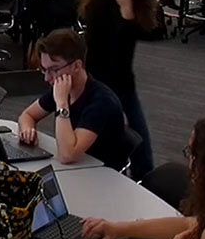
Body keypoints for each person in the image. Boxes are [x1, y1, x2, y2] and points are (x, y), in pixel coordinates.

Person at [79, 0, 159, 180]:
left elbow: (152, 33)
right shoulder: (101, 3)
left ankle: (150, 205)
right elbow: (96, 59)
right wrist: (112, 106)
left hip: (126, 84)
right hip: (101, 87)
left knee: (142, 153)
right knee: (104, 156)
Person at [18, 28, 129, 170]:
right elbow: (27, 115)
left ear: (77, 66)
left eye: (54, 69)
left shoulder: (101, 102)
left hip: (102, 177)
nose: (47, 78)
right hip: (78, 169)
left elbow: (67, 156)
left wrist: (62, 103)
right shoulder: (63, 88)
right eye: (44, 69)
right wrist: (27, 130)